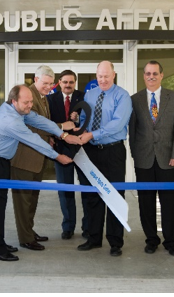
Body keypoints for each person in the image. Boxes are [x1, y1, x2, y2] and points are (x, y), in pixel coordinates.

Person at [0, 84, 74, 262]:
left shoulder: (15, 110)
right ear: (14, 101)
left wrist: (62, 135)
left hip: (0, 160)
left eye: (31, 101)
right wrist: (57, 156)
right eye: (26, 102)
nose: (30, 105)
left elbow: (39, 120)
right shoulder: (11, 120)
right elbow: (34, 140)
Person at [73, 60, 132, 257]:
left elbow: (118, 124)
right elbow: (84, 120)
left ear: (113, 75)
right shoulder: (90, 94)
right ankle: (93, 238)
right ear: (96, 76)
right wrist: (79, 129)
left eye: (106, 76)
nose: (103, 80)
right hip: (91, 151)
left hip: (113, 151)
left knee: (114, 195)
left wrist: (92, 134)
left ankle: (115, 242)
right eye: (100, 76)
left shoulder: (122, 96)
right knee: (91, 196)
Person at [9, 66, 71, 251]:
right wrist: (60, 128)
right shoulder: (28, 97)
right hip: (23, 159)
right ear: (35, 79)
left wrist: (49, 137)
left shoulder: (42, 98)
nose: (48, 87)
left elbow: (41, 127)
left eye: (51, 84)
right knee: (23, 201)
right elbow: (32, 123)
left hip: (37, 158)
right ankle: (25, 238)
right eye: (45, 83)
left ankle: (29, 231)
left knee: (32, 199)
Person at [129, 61, 174, 257]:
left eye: (155, 73)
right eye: (147, 73)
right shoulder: (134, 99)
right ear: (143, 76)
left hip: (168, 159)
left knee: (169, 202)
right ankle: (151, 240)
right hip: (144, 159)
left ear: (162, 75)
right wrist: (135, 154)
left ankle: (171, 241)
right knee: (146, 203)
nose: (151, 76)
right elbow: (132, 130)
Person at [47, 69, 87, 240]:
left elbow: (90, 120)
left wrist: (78, 119)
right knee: (65, 190)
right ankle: (68, 226)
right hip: (61, 149)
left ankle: (88, 227)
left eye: (71, 82)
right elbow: (47, 122)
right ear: (59, 82)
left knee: (87, 189)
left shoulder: (84, 97)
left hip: (83, 149)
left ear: (75, 83)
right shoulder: (50, 99)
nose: (68, 85)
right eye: (65, 82)